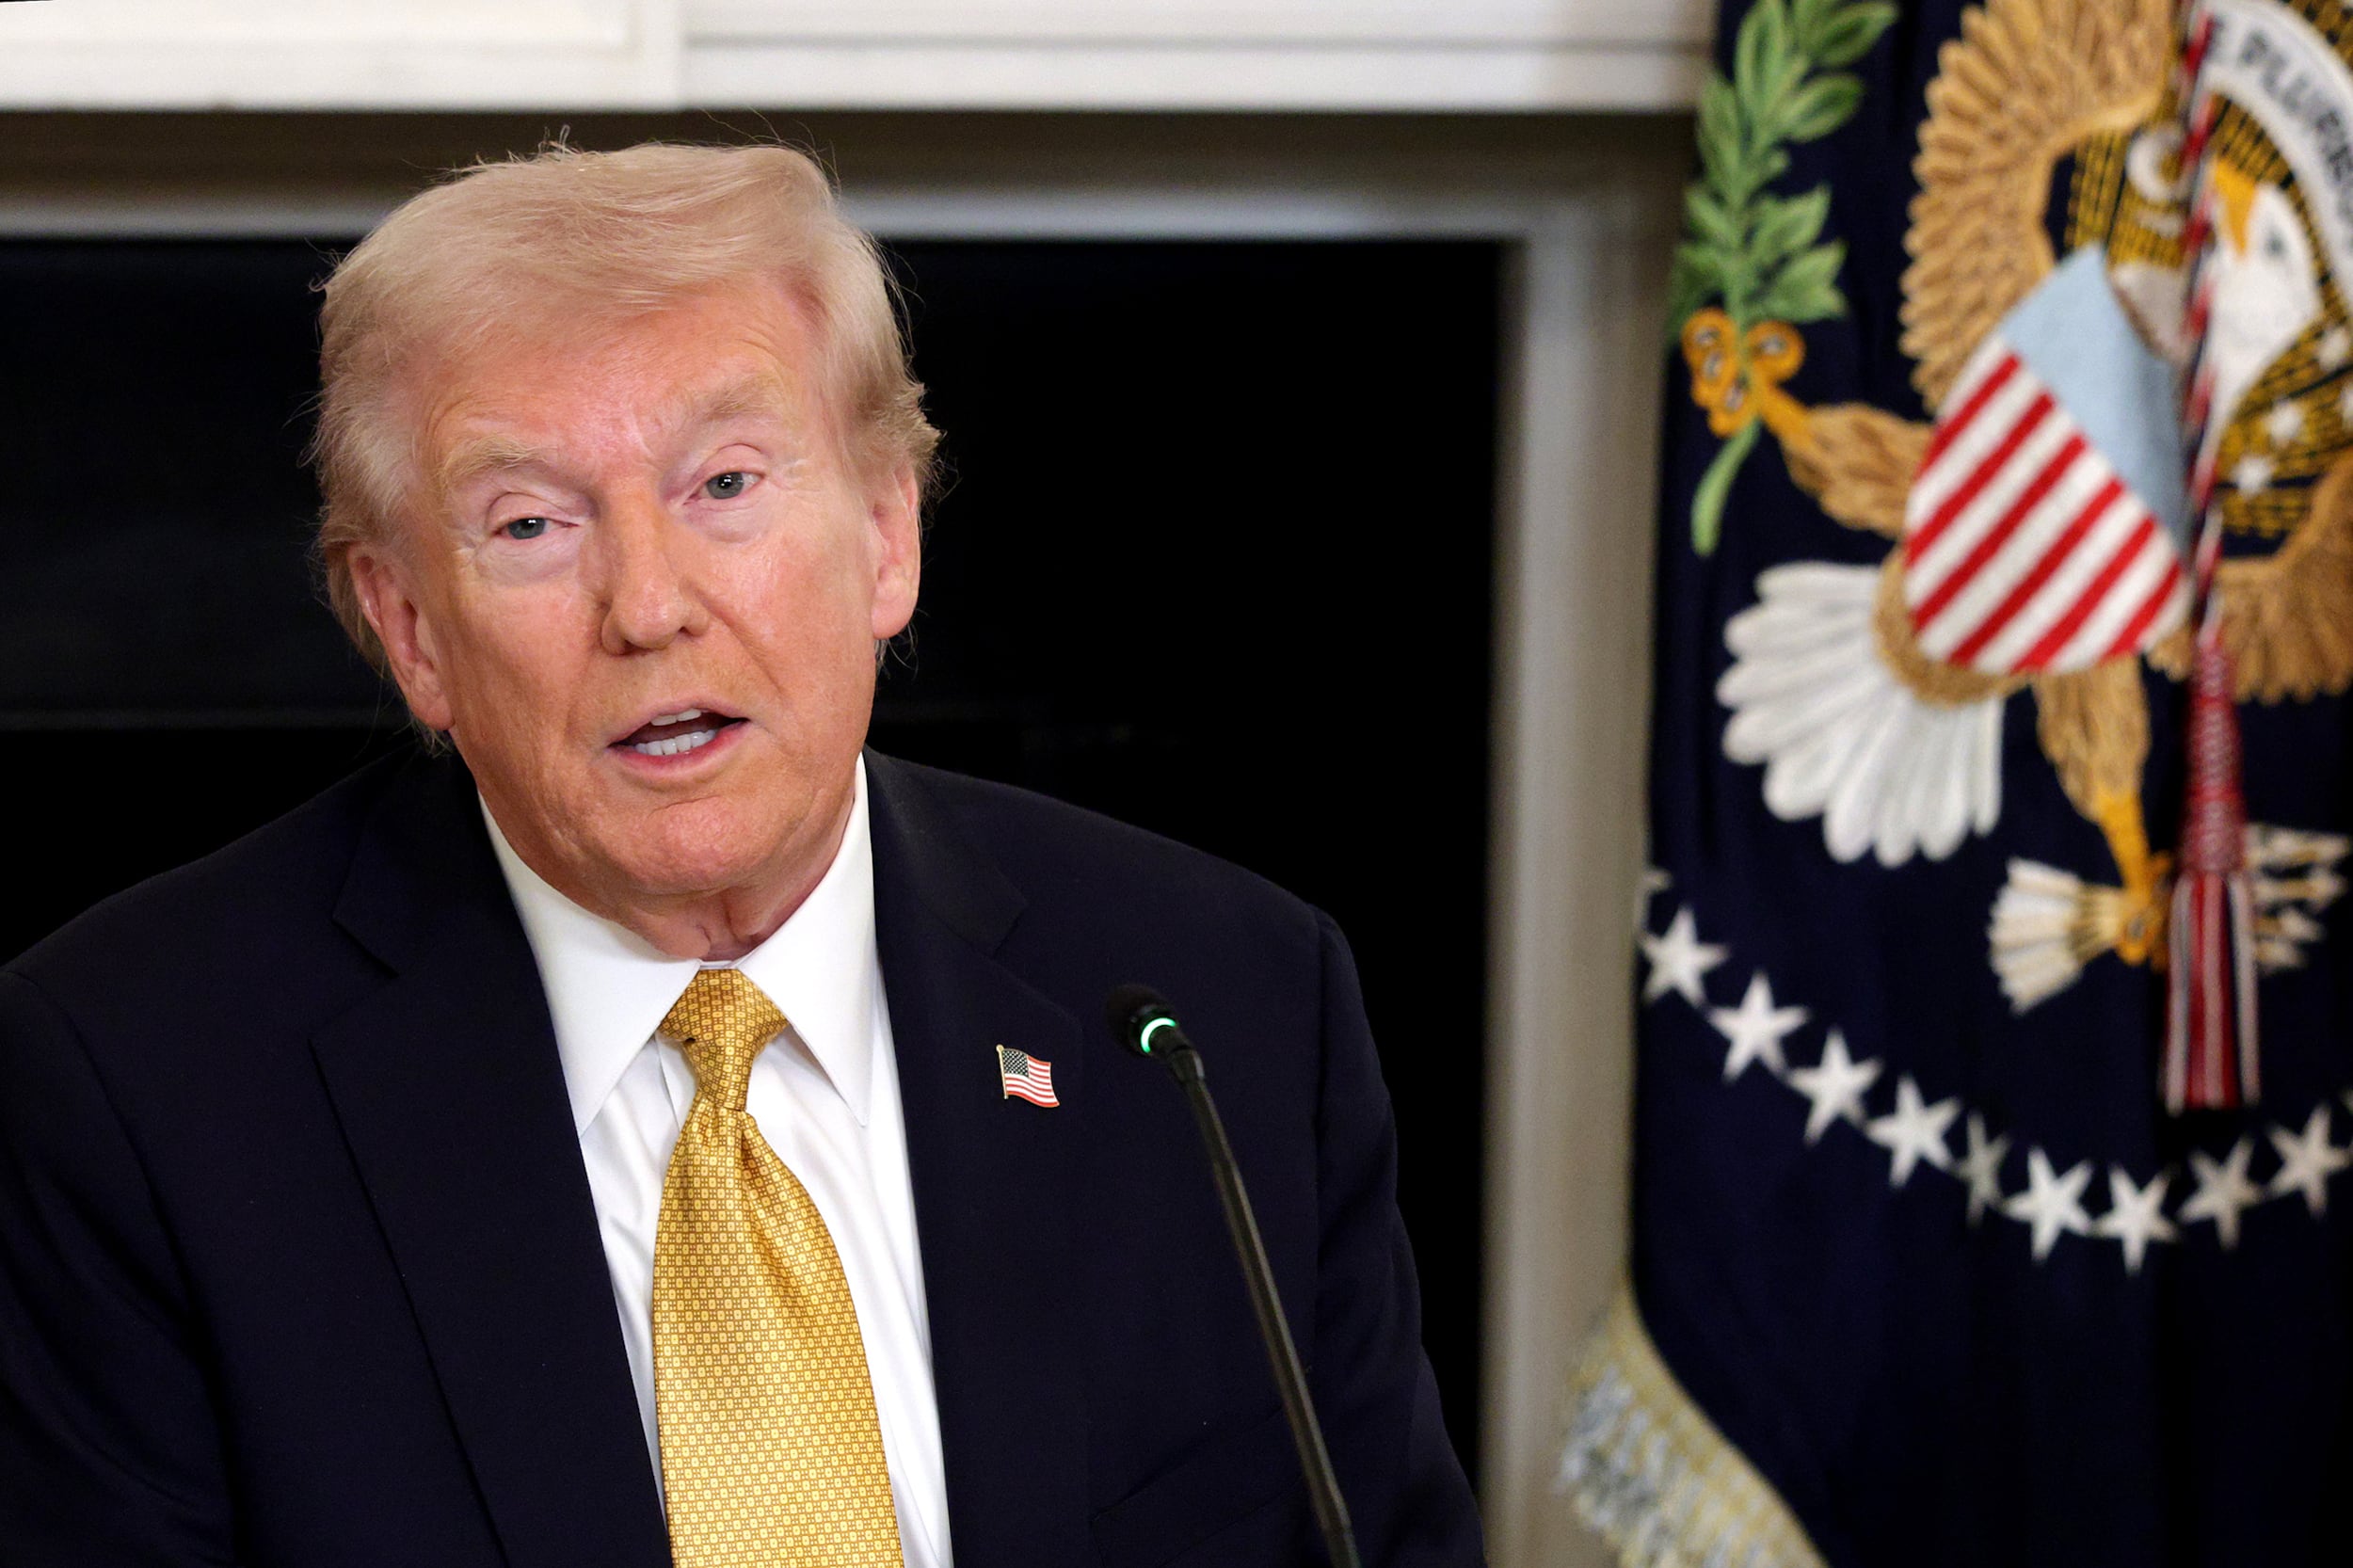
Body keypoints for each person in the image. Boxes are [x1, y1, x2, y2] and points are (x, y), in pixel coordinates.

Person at [0, 142, 1482, 1568]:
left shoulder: (1222, 1003)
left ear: (889, 530)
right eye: (529, 522)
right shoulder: (139, 1088)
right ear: (406, 631)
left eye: (726, 485)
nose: (648, 605)